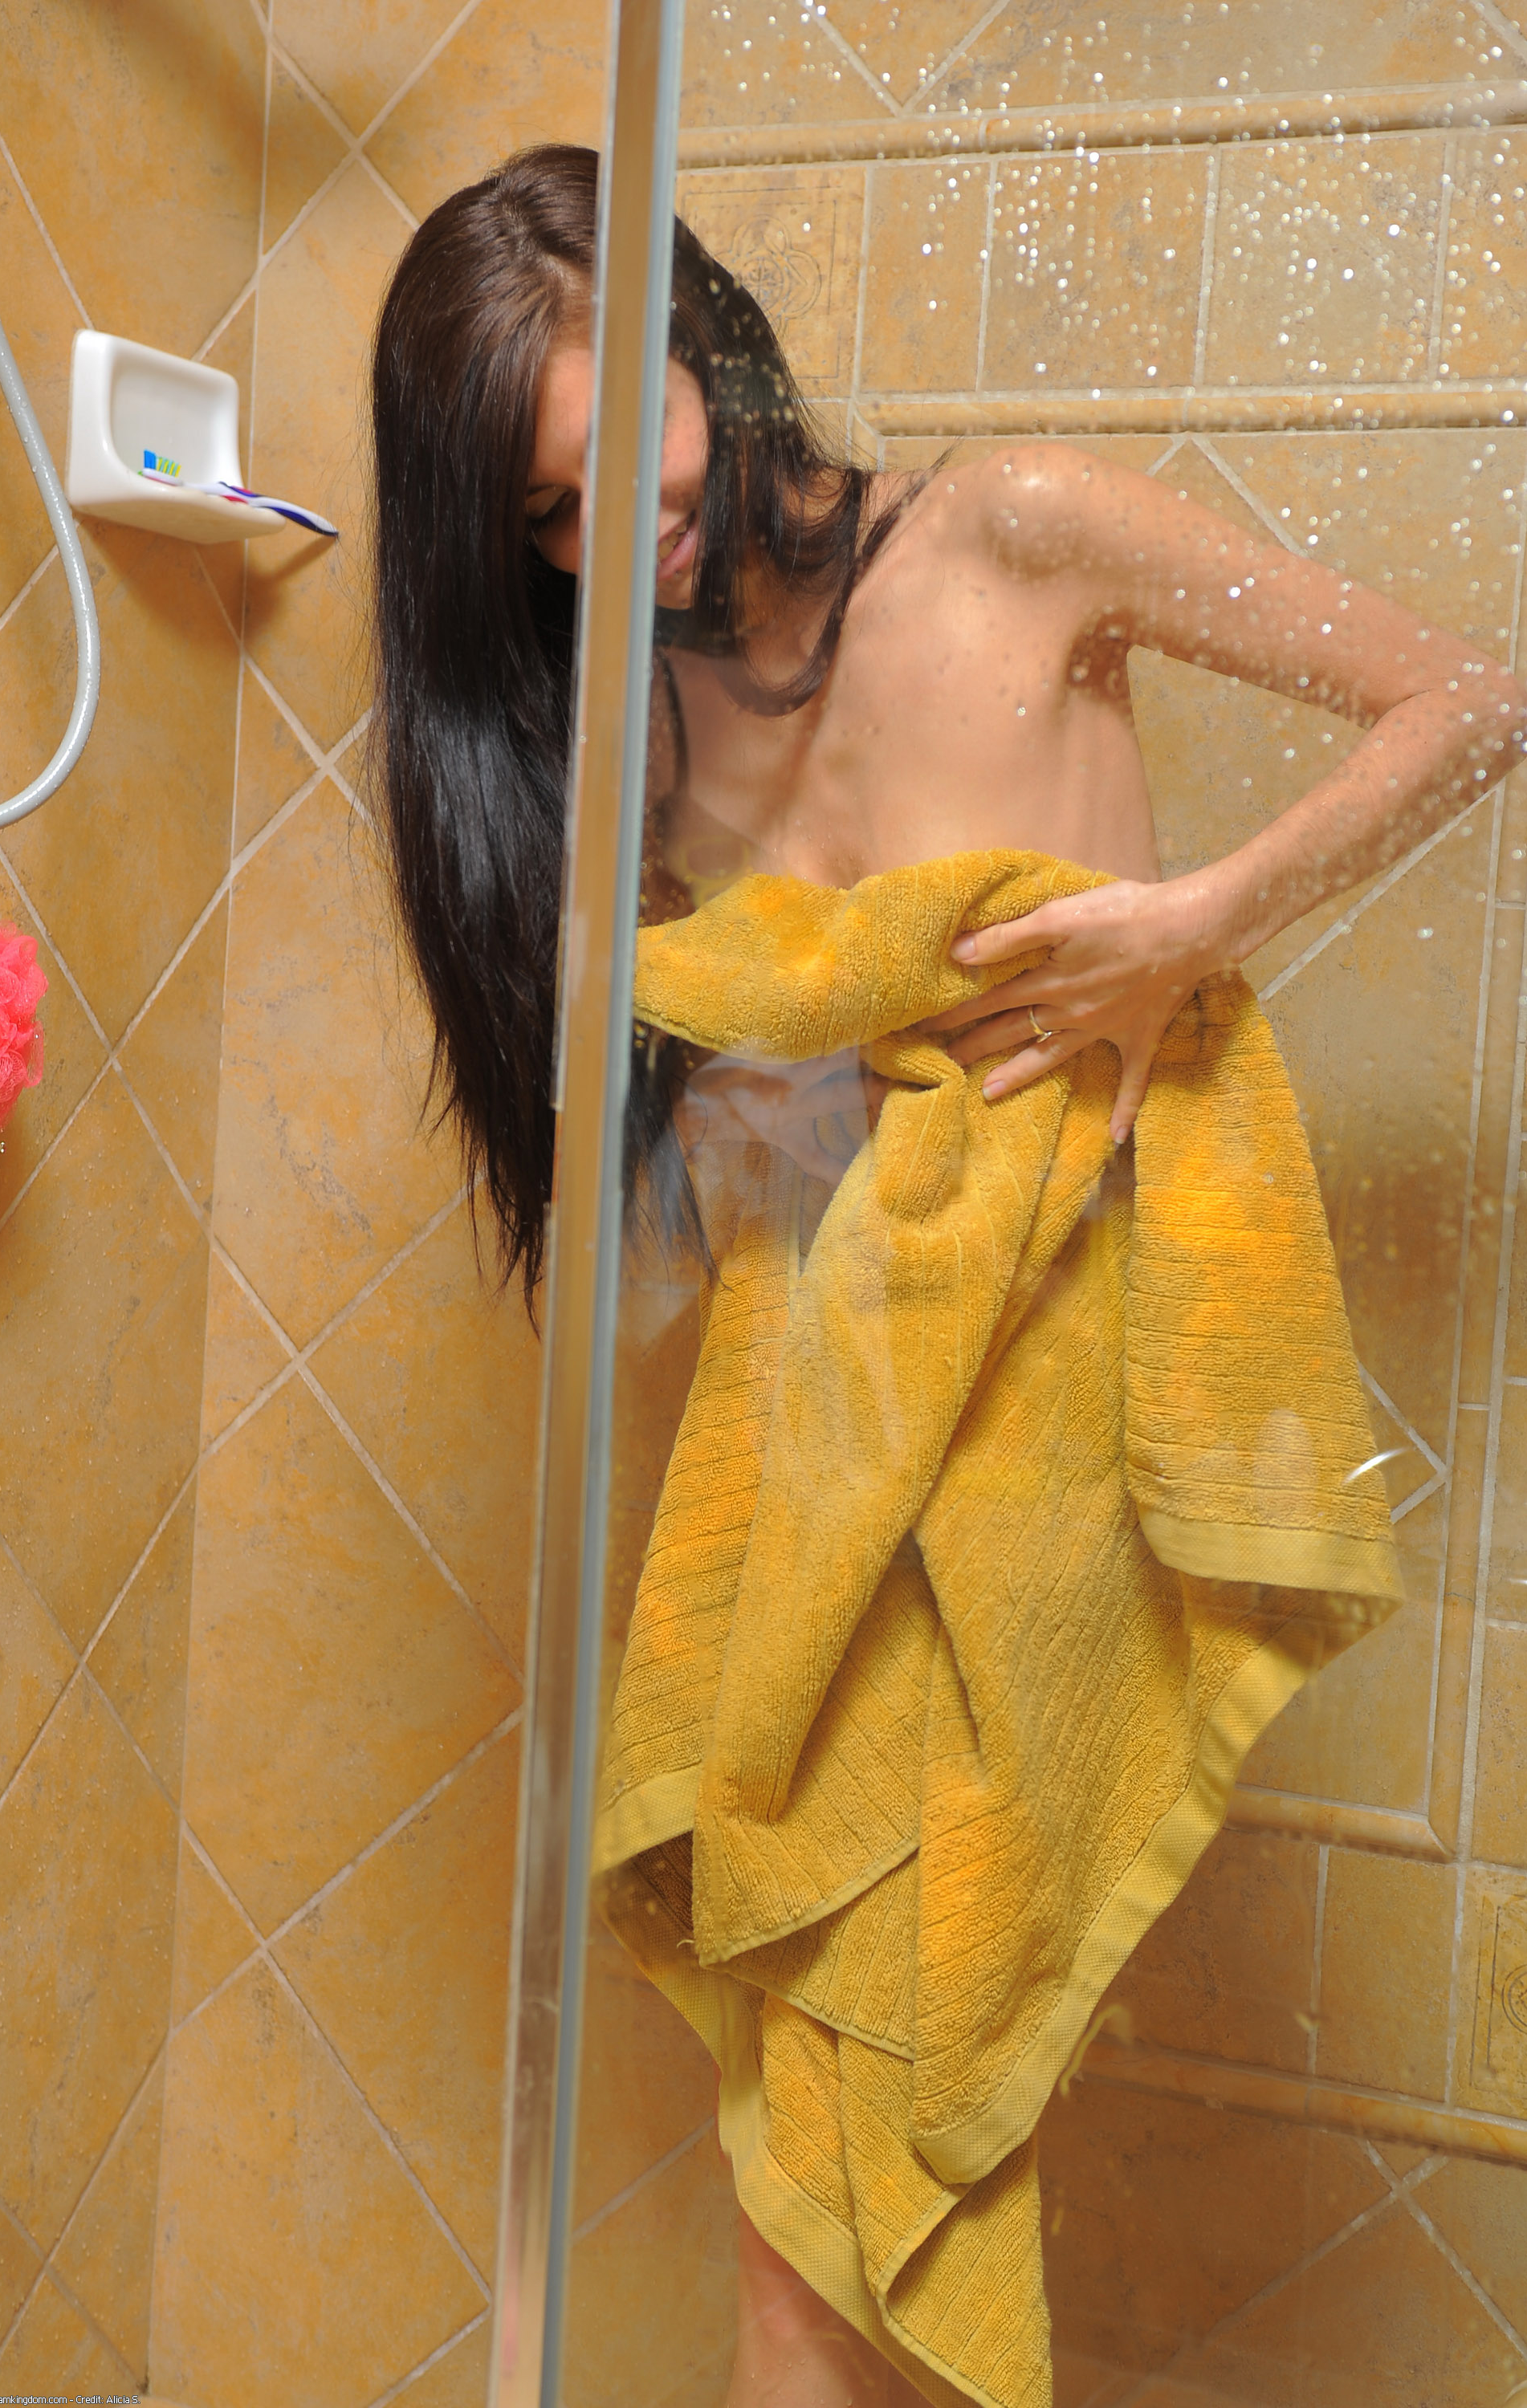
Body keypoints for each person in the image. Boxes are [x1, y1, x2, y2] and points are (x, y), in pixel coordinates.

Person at [370, 145, 1524, 2406]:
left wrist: (1195, 928)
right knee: (821, 2175)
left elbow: (1471, 703)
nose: (615, 542)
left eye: (625, 460)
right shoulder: (642, 730)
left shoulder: (1013, 530)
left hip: (1076, 1406)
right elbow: (744, 1131)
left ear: (702, 336)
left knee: (832, 2178)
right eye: (546, 521)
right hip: (848, 1430)